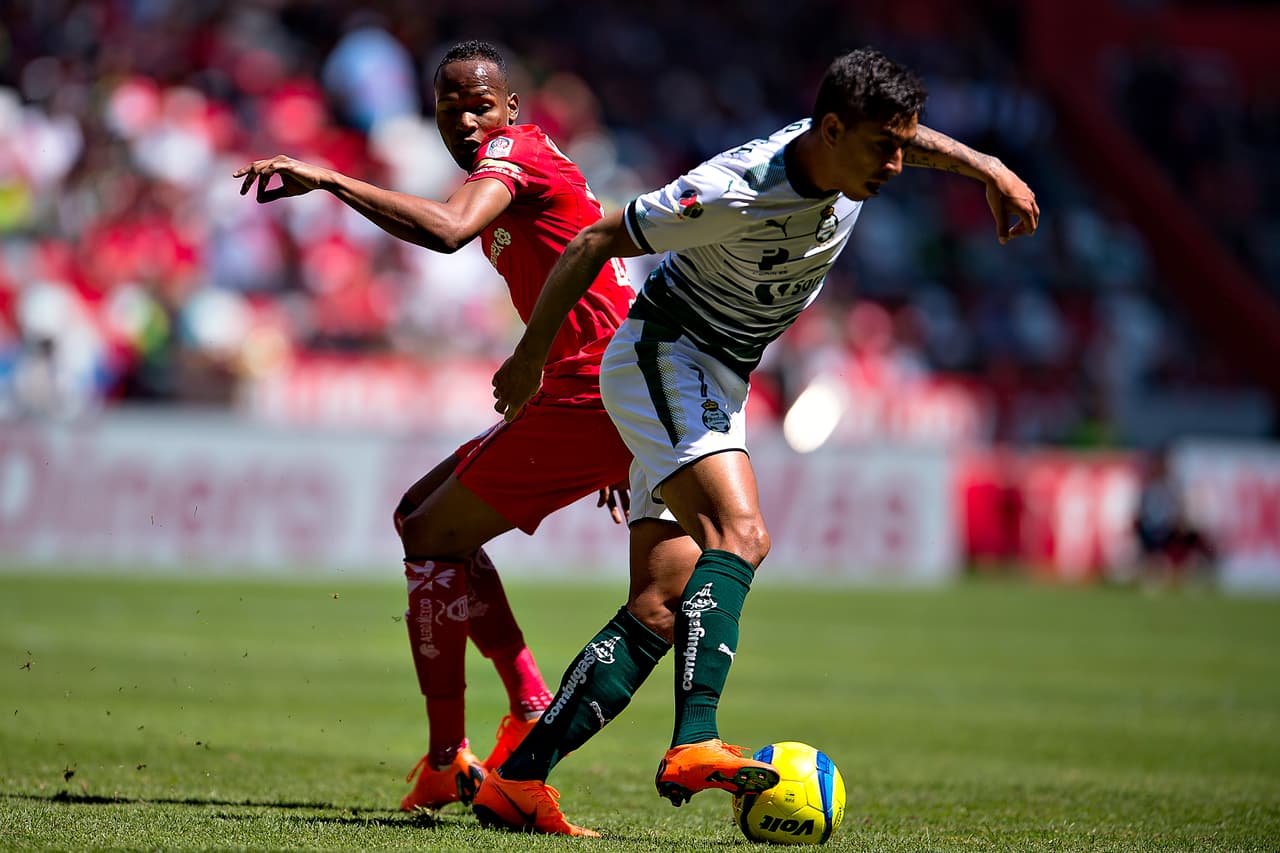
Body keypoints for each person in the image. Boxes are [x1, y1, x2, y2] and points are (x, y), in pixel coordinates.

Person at [481, 47, 1039, 836]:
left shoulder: (856, 155)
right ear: (834, 129)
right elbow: (592, 242)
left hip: (719, 375)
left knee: (664, 604)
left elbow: (915, 140)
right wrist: (531, 356)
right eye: (885, 146)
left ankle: (517, 779)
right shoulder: (737, 188)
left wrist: (989, 168)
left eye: (903, 144)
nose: (898, 163)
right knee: (739, 535)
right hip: (664, 355)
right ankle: (694, 741)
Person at [233, 40, 640, 814]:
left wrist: (331, 178)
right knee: (419, 517)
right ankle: (515, 713)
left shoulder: (515, 155)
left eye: (480, 103)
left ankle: (460, 749)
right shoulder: (513, 167)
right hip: (589, 387)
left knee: (429, 533)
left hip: (593, 387)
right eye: (449, 107)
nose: (465, 119)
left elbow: (451, 229)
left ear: (511, 109)